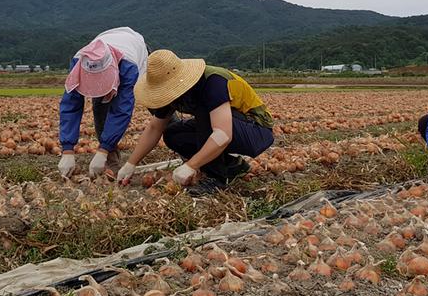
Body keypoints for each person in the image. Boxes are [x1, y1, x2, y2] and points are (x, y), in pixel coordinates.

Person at [119, 50, 274, 196]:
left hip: (256, 130)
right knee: (173, 134)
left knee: (204, 114)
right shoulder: (170, 93)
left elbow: (222, 135)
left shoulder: (213, 82)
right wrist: (131, 163)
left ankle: (216, 179)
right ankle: (233, 167)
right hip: (228, 127)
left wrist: (191, 165)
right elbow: (154, 128)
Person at [59, 27, 148, 179]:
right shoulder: (78, 62)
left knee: (158, 104)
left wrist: (103, 150)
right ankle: (110, 158)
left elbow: (121, 109)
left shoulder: (128, 67)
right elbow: (70, 105)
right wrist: (67, 150)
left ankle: (184, 150)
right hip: (109, 41)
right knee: (100, 107)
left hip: (137, 51)